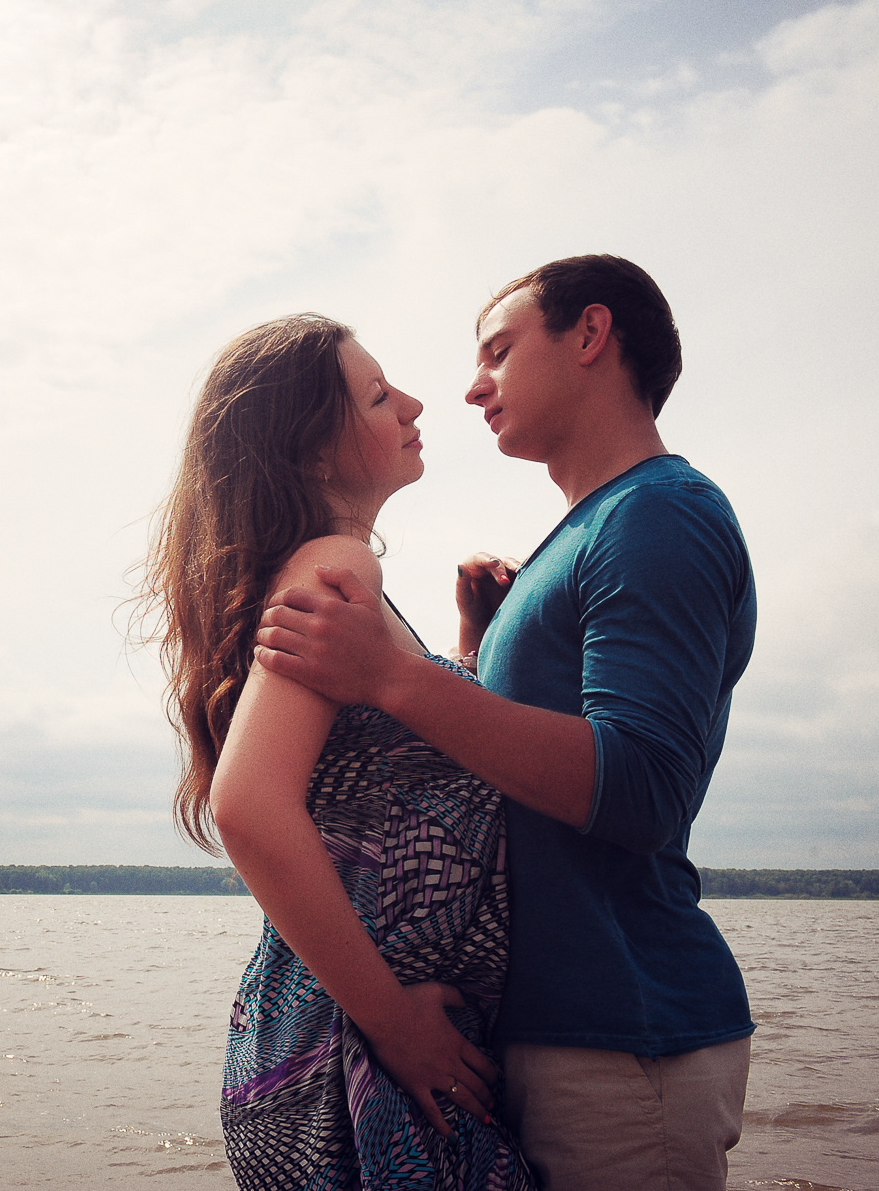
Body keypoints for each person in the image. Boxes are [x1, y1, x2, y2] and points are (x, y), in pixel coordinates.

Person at [253, 256, 757, 1190]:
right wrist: (477, 652)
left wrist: (398, 678)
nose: (471, 385)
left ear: (591, 337)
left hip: (621, 1036)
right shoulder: (586, 531)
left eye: (498, 350)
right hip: (546, 1032)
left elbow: (639, 785)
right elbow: (506, 779)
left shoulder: (658, 516)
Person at [140, 314, 533, 1189]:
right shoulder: (334, 564)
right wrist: (393, 1021)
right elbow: (249, 804)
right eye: (379, 394)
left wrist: (466, 653)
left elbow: (377, 783)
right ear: (314, 453)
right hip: (356, 1051)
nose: (416, 403)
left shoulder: (322, 571)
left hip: (332, 1033)